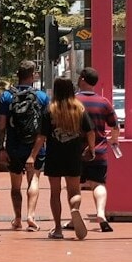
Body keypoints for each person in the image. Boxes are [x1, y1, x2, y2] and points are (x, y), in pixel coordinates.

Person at [34, 76, 96, 240]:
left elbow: (41, 137)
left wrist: (32, 156)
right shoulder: (79, 109)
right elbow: (90, 132)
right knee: (74, 190)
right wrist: (91, 148)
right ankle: (74, 210)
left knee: (55, 193)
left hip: (54, 156)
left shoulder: (50, 110)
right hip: (73, 155)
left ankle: (57, 228)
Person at [0, 60, 49, 231]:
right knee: (34, 180)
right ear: (32, 76)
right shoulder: (41, 97)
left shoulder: (6, 96)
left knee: (15, 185)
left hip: (13, 146)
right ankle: (31, 216)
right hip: (35, 147)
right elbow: (45, 126)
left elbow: (1, 125)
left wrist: (0, 148)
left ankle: (17, 218)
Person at [74, 67, 121, 232]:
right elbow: (115, 126)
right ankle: (100, 213)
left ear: (83, 80)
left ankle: (75, 215)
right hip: (99, 151)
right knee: (98, 184)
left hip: (76, 152)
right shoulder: (104, 102)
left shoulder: (73, 101)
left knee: (75, 186)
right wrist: (113, 140)